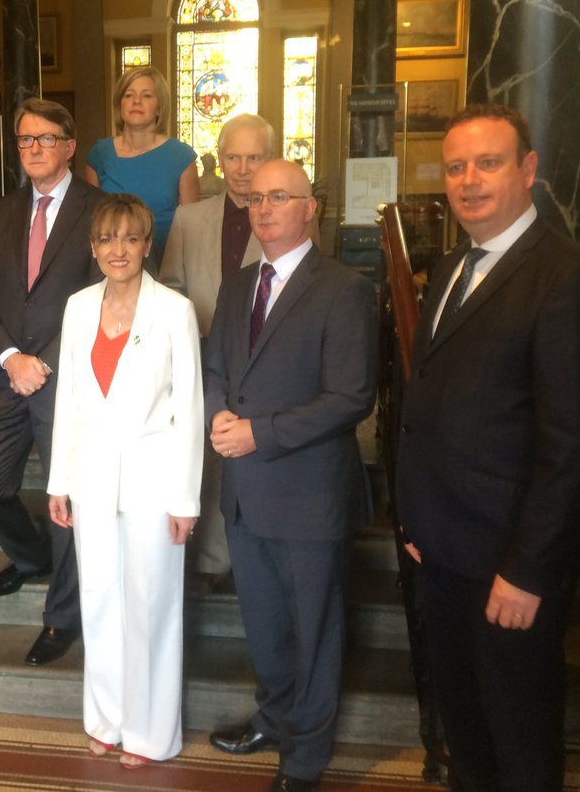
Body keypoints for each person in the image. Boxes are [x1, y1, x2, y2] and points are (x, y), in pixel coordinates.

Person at [396, 104, 580, 792]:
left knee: (519, 740)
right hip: (445, 550)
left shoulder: (568, 276)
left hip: (509, 566)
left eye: (488, 163)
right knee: (466, 733)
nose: (469, 180)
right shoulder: (451, 269)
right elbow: (433, 403)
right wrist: (418, 523)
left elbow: (573, 446)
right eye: (456, 167)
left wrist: (528, 571)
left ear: (528, 170)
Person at [204, 159, 377, 792]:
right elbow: (215, 367)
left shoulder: (344, 288)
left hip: (308, 495)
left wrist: (260, 433)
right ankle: (274, 719)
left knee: (314, 633)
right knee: (266, 626)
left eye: (280, 196)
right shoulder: (236, 285)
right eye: (255, 198)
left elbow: (351, 397)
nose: (265, 208)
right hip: (245, 494)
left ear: (310, 208)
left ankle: (304, 757)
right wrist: (217, 413)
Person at [47, 194, 202, 768]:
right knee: (99, 600)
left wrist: (185, 499)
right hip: (90, 480)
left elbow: (189, 409)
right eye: (108, 239)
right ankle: (106, 719)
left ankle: (150, 732)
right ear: (93, 247)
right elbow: (67, 398)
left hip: (153, 483)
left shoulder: (175, 311)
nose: (119, 250)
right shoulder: (77, 307)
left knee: (150, 606)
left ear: (146, 245)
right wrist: (58, 480)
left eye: (131, 238)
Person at [0, 96, 107, 667]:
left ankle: (62, 617)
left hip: (68, 381)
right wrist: (8, 356)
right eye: (25, 139)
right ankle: (30, 557)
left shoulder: (99, 210)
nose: (33, 148)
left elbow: (106, 296)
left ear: (69, 146)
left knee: (66, 502)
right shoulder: (0, 211)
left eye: (46, 138)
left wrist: (41, 362)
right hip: (6, 377)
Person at [159, 113, 270, 592]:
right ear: (219, 160)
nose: (243, 168)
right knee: (201, 458)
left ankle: (251, 562)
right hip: (201, 358)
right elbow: (170, 286)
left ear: (270, 158)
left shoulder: (286, 216)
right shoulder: (190, 218)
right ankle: (207, 562)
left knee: (251, 463)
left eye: (254, 157)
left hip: (264, 363)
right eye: (233, 157)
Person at [84, 66, 198, 265]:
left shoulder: (181, 156)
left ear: (160, 107)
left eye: (147, 96)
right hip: (113, 263)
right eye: (128, 95)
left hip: (166, 264)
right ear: (119, 105)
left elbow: (193, 227)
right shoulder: (100, 154)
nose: (136, 101)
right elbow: (92, 223)